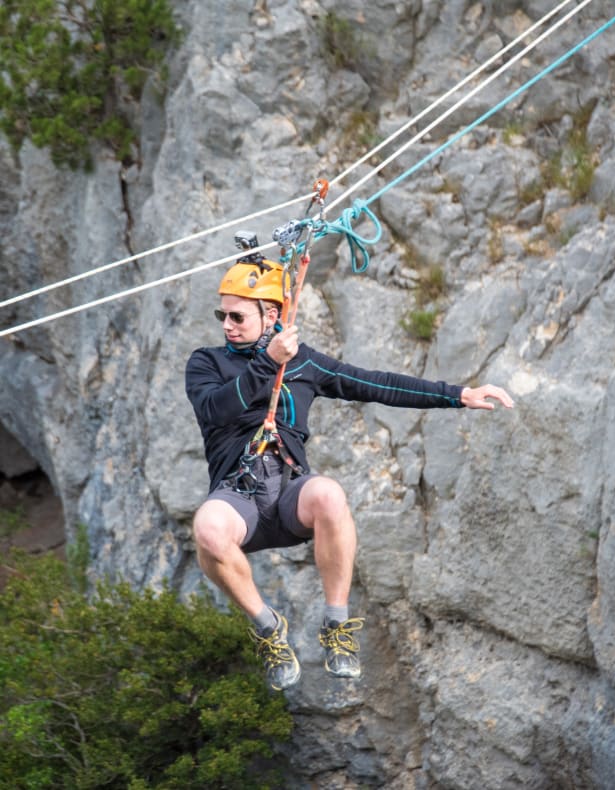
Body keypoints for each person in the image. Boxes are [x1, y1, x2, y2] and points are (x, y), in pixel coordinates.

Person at [185, 256, 514, 691]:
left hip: (287, 494)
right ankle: (268, 628)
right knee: (207, 529)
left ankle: (337, 626)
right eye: (222, 315)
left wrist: (459, 395)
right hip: (238, 496)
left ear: (272, 316)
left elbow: (377, 384)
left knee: (329, 493)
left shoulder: (303, 364)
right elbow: (217, 408)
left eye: (237, 315)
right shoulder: (206, 363)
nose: (227, 324)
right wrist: (267, 362)